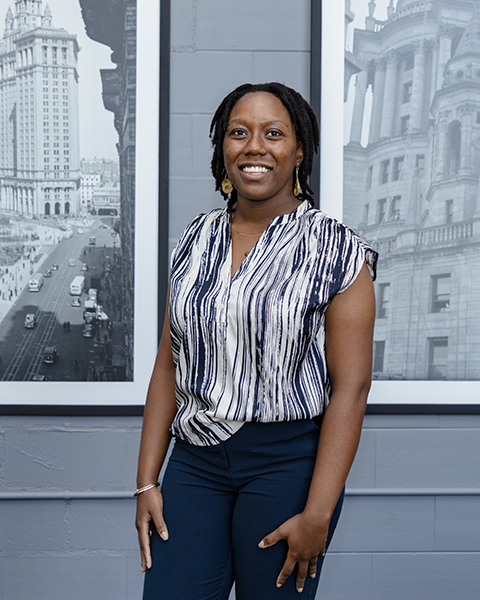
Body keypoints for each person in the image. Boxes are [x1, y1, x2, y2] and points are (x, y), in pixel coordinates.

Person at [135, 82, 377, 599]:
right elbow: (167, 366)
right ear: (222, 149)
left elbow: (351, 390)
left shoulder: (336, 248)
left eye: (274, 133)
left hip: (287, 464)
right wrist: (147, 481)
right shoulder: (194, 239)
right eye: (238, 133)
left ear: (299, 150)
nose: (254, 147)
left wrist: (318, 512)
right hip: (195, 462)